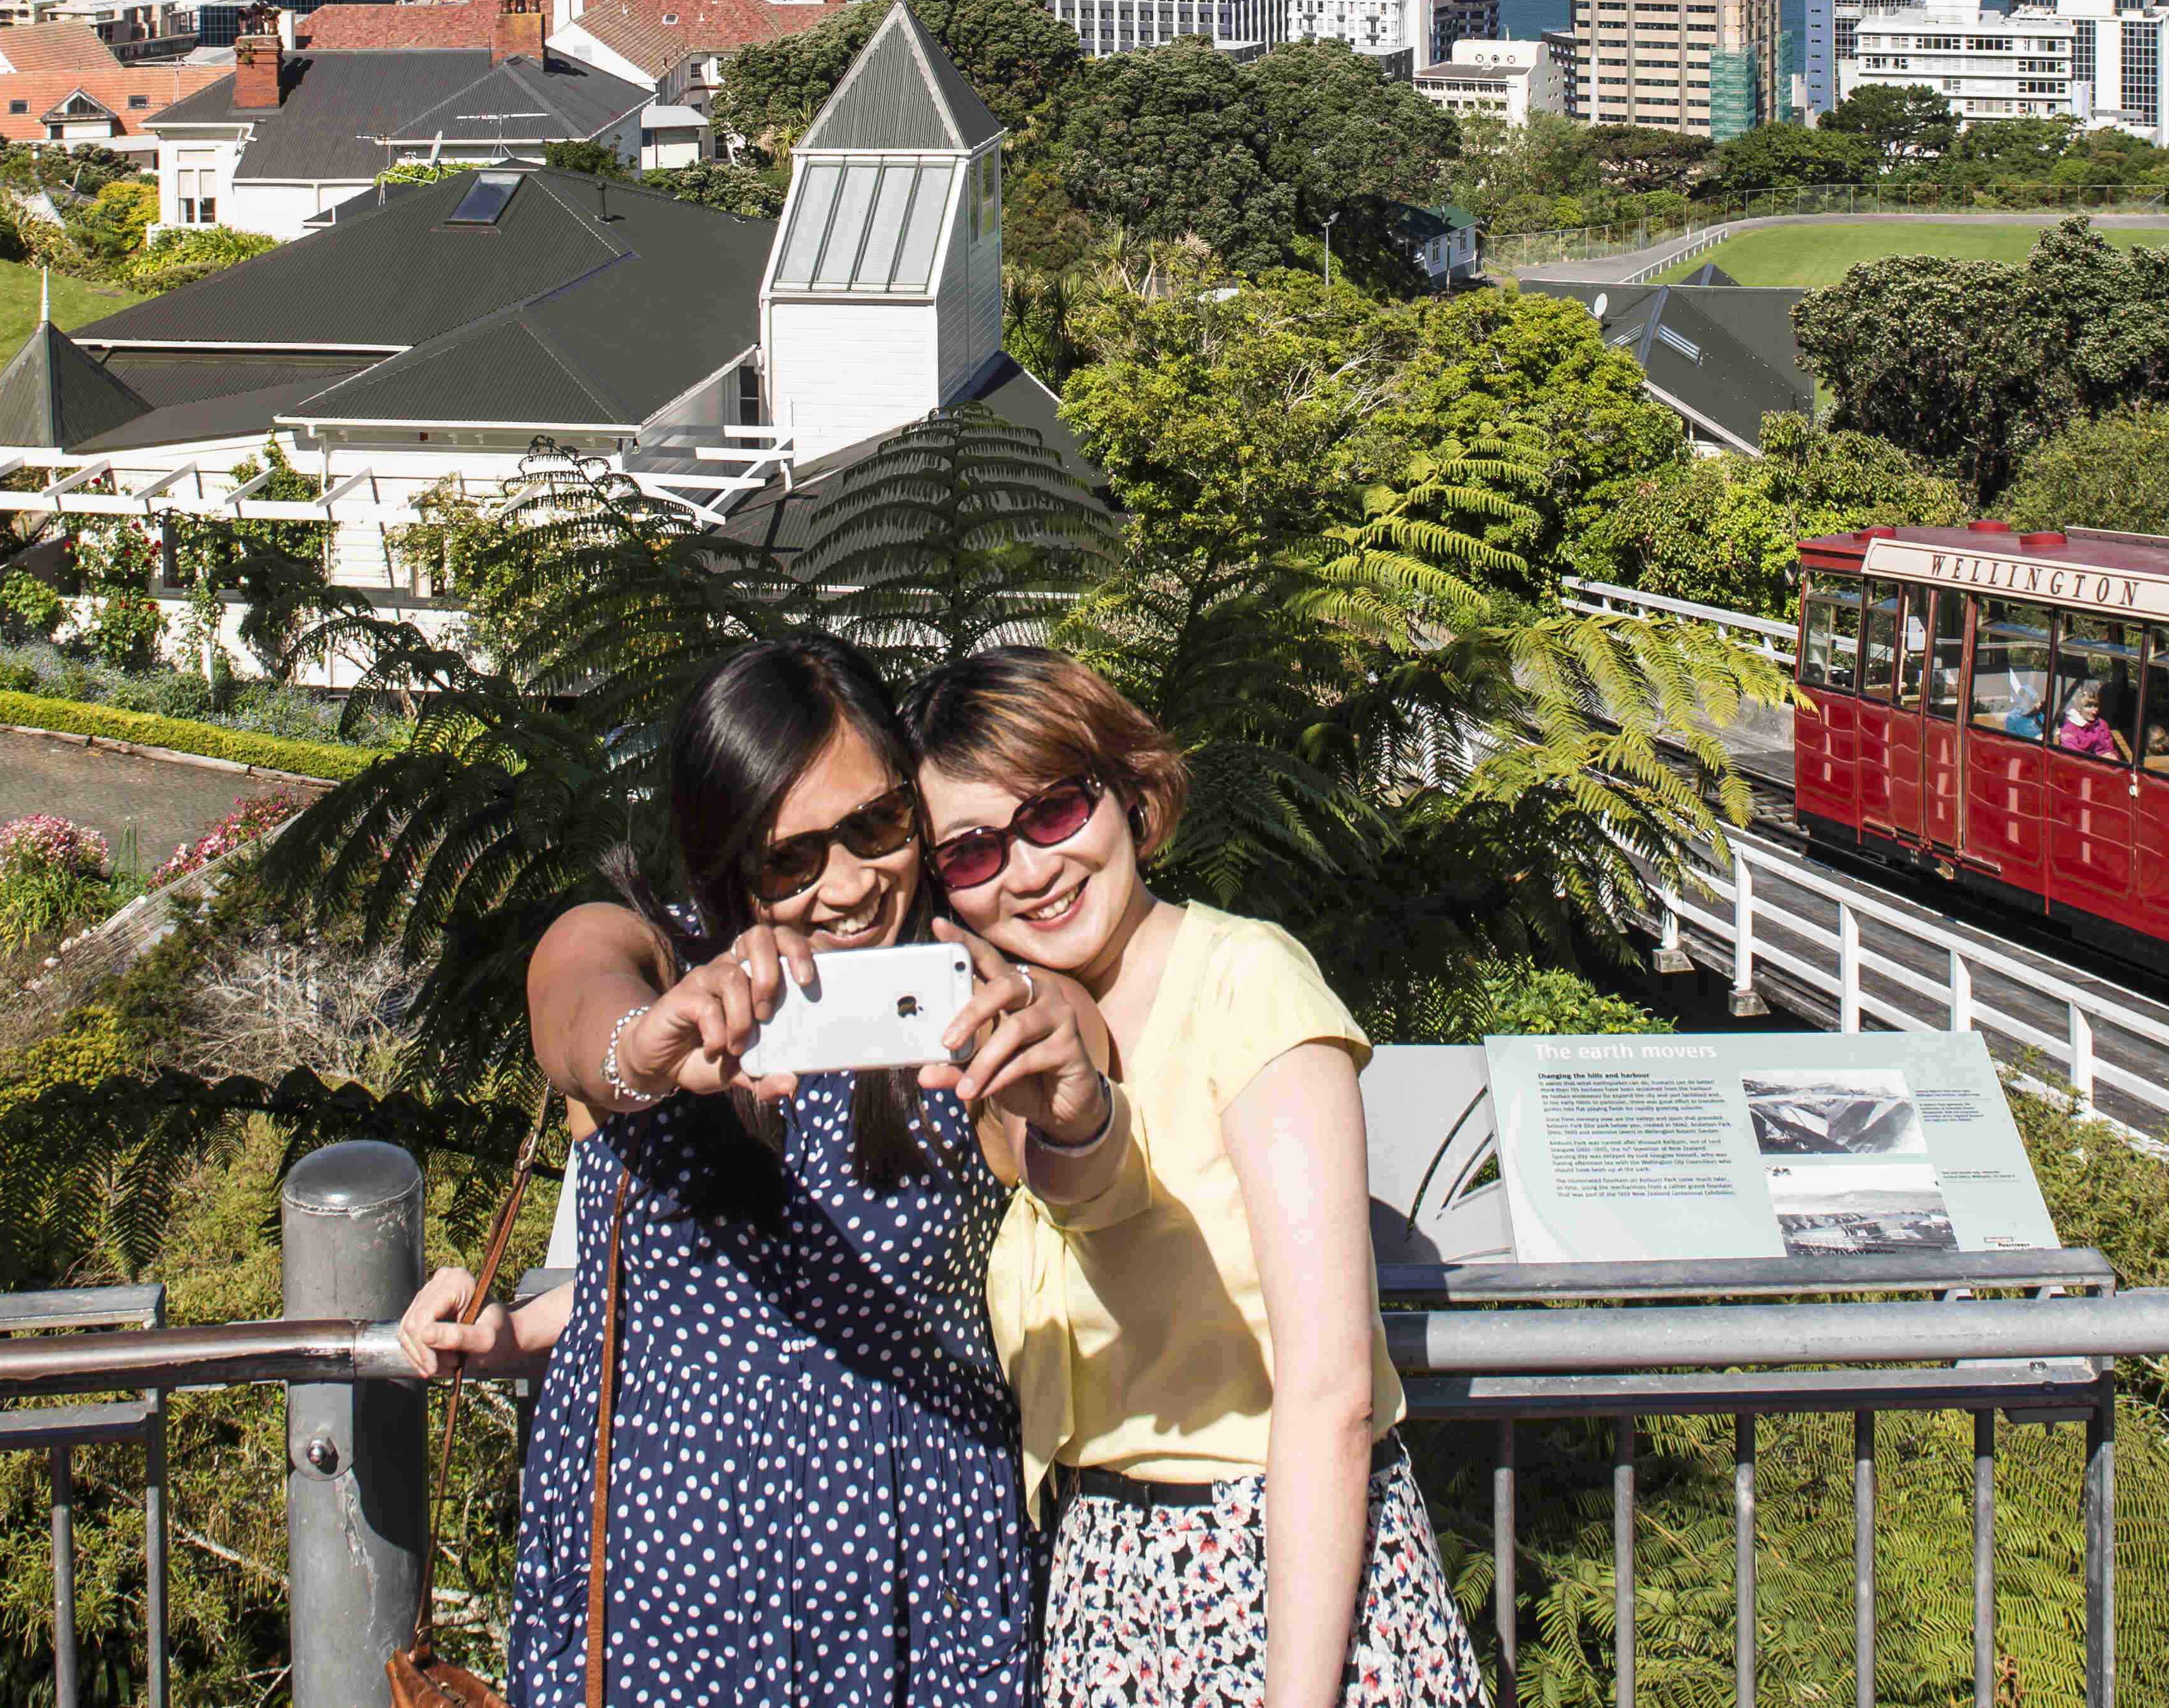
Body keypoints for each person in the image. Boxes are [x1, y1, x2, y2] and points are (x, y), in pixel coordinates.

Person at [393, 635, 1126, 1707]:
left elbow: (1073, 1172)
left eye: (878, 826)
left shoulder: (981, 1003)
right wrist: (645, 1049)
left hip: (912, 1575)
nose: (849, 885)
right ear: (724, 852)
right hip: (658, 1588)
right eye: (792, 858)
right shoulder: (648, 955)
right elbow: (575, 1002)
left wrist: (1070, 1095)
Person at [910, 650, 1488, 1708]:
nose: (1030, 868)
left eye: (1054, 811)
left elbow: (1329, 1388)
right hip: (1108, 1591)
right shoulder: (1013, 1048)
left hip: (1281, 1585)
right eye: (975, 850)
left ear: (1131, 793)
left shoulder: (1247, 983)